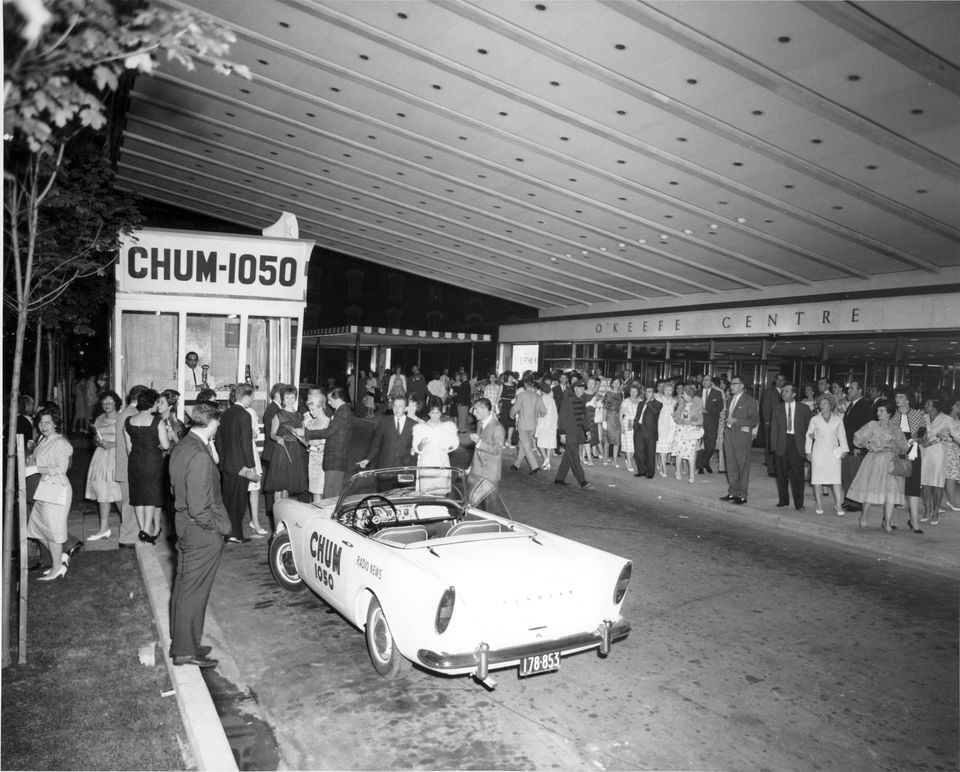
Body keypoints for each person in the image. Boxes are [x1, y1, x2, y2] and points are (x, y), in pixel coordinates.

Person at [168, 402, 231, 668]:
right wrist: (214, 529)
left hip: (185, 526)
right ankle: (184, 650)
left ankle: (185, 641)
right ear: (213, 423)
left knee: (185, 587)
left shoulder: (183, 446)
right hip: (200, 532)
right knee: (194, 591)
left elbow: (174, 489)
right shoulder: (200, 455)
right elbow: (199, 505)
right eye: (218, 423)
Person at [846, 401, 911, 533]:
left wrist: (894, 446)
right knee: (871, 490)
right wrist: (868, 444)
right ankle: (863, 517)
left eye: (881, 411)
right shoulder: (872, 425)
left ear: (889, 414)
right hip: (874, 461)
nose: (878, 413)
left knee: (891, 493)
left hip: (891, 463)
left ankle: (887, 522)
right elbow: (857, 438)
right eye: (878, 411)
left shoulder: (895, 429)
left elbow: (904, 447)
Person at [26, 410, 74, 581]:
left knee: (53, 531)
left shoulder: (60, 442)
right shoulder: (44, 440)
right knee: (38, 527)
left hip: (58, 487)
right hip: (45, 486)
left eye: (47, 422)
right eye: (40, 423)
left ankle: (56, 568)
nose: (43, 426)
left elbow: (61, 469)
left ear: (55, 423)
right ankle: (60, 557)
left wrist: (36, 469)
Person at [124, 388, 169, 544]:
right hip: (152, 461)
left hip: (135, 459)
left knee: (137, 495)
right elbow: (165, 445)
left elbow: (128, 447)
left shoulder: (128, 421)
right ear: (152, 404)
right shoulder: (157, 422)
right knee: (150, 495)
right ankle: (147, 530)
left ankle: (142, 528)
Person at [216, 384, 260, 543]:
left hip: (227, 464)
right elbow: (246, 443)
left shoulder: (225, 414)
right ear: (246, 396)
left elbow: (218, 440)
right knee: (239, 501)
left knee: (228, 499)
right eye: (252, 397)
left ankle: (227, 532)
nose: (252, 400)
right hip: (241, 466)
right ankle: (236, 534)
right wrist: (251, 465)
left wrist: (225, 457)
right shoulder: (245, 415)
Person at [299, 387, 355, 499]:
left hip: (336, 459)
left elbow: (329, 432)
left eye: (329, 399)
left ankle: (328, 516)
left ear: (337, 398)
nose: (328, 403)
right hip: (334, 459)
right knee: (329, 492)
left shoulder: (342, 412)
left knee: (331, 495)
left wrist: (307, 433)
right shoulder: (341, 411)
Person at [84, 390, 124, 541]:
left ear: (116, 403)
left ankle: (128, 525)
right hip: (100, 458)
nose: (107, 405)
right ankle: (103, 528)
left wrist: (112, 444)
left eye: (110, 402)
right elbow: (95, 438)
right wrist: (97, 441)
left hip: (115, 457)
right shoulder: (99, 418)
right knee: (102, 493)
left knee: (117, 494)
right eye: (104, 402)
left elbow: (128, 440)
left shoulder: (122, 418)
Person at [263, 385, 308, 503]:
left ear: (296, 398)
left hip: (295, 451)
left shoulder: (300, 416)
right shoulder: (278, 415)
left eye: (292, 397)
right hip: (282, 451)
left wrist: (306, 442)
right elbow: (272, 434)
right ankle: (277, 510)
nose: (290, 400)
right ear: (283, 399)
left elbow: (303, 436)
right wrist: (278, 438)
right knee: (279, 484)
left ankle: (283, 510)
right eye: (287, 397)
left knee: (288, 484)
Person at [805, 395, 849, 514]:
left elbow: (842, 436)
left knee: (836, 480)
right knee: (817, 479)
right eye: (821, 403)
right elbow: (809, 436)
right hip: (818, 452)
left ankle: (838, 506)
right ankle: (819, 505)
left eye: (825, 403)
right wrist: (808, 451)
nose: (822, 406)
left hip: (833, 452)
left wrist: (844, 449)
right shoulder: (814, 419)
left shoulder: (838, 419)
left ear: (830, 405)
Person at [115, 384, 146, 549]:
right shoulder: (132, 415)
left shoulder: (124, 413)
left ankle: (131, 535)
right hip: (130, 465)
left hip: (124, 464)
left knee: (130, 502)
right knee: (130, 503)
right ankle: (127, 538)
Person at [771, 383, 811, 511]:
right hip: (782, 443)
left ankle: (799, 504)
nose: (783, 393)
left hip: (797, 443)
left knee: (797, 476)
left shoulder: (804, 408)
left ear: (794, 394)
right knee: (781, 474)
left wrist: (808, 448)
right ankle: (783, 500)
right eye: (783, 391)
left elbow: (809, 428)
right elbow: (774, 428)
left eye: (786, 391)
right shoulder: (777, 408)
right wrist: (774, 447)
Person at [720, 375, 759, 505]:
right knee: (730, 465)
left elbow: (753, 421)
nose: (731, 386)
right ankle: (733, 492)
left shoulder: (750, 401)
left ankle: (742, 494)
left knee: (742, 466)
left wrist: (736, 421)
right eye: (731, 384)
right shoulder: (729, 399)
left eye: (734, 383)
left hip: (742, 437)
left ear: (742, 386)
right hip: (729, 435)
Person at [411, 400, 460, 494]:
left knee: (441, 493)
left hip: (442, 463)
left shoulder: (448, 427)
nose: (435, 415)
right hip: (426, 464)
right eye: (432, 412)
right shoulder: (421, 428)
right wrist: (422, 443)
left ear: (441, 413)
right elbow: (418, 449)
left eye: (437, 412)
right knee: (426, 493)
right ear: (429, 413)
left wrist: (449, 446)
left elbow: (453, 446)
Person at [468, 398, 506, 515]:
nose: (474, 413)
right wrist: (471, 466)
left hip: (490, 473)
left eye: (476, 410)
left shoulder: (498, 427)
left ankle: (495, 529)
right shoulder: (480, 423)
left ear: (484, 409)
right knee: (474, 504)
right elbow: (477, 449)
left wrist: (479, 442)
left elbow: (497, 450)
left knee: (492, 507)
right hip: (477, 470)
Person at [893, 387, 925, 528]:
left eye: (900, 397)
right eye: (896, 397)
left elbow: (923, 433)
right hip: (897, 453)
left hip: (913, 453)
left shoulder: (918, 415)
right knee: (894, 487)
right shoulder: (892, 416)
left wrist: (916, 441)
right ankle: (888, 520)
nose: (897, 399)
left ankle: (914, 521)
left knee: (913, 486)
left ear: (907, 400)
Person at [841, 381, 874, 512]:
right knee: (847, 474)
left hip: (857, 447)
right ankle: (849, 499)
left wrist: (860, 446)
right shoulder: (852, 406)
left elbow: (866, 428)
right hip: (848, 446)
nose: (849, 391)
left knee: (855, 475)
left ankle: (857, 502)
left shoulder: (864, 406)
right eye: (849, 389)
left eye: (852, 389)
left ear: (860, 391)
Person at [919, 397, 952, 524]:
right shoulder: (923, 417)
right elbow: (918, 434)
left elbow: (953, 436)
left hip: (938, 453)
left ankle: (936, 511)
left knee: (937, 482)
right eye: (926, 402)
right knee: (925, 482)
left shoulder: (947, 419)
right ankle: (927, 510)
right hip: (925, 452)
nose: (926, 405)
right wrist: (921, 440)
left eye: (929, 403)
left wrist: (940, 439)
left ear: (936, 405)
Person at [555, 382, 592, 489]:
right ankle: (582, 481)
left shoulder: (582, 399)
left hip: (577, 433)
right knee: (575, 458)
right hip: (568, 433)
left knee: (568, 456)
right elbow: (562, 417)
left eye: (583, 389)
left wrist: (587, 430)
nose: (582, 391)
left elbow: (583, 417)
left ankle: (559, 478)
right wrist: (562, 433)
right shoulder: (567, 399)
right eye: (581, 388)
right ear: (575, 388)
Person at [260, 383, 285, 526]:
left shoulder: (274, 408)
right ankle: (271, 511)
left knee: (272, 483)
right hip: (272, 452)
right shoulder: (273, 410)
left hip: (271, 452)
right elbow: (273, 433)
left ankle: (272, 509)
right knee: (271, 485)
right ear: (278, 394)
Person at [510, 375, 546, 474]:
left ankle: (534, 466)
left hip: (523, 424)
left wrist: (511, 415)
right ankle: (516, 464)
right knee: (523, 444)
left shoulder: (521, 395)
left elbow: (515, 408)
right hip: (533, 425)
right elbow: (544, 411)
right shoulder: (538, 396)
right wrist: (538, 415)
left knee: (526, 445)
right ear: (533, 384)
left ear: (525, 384)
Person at [243, 394, 268, 535]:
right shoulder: (247, 412)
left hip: (249, 454)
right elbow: (254, 434)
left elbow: (254, 434)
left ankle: (255, 521)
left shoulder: (251, 412)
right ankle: (253, 522)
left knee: (254, 487)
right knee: (250, 488)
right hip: (245, 456)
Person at [671, 384, 704, 484]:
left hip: (691, 432)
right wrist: (680, 420)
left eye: (684, 394)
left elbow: (701, 421)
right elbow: (675, 418)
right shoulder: (681, 404)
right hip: (680, 430)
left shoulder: (697, 406)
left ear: (689, 395)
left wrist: (690, 422)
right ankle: (678, 472)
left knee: (691, 454)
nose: (682, 396)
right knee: (679, 453)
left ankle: (691, 475)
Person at [696, 375, 724, 474]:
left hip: (712, 422)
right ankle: (700, 466)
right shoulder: (697, 393)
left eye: (707, 380)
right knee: (700, 444)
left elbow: (720, 407)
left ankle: (705, 462)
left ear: (711, 382)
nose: (704, 382)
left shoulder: (717, 393)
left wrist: (707, 410)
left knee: (711, 445)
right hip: (700, 422)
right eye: (703, 380)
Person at [633, 385, 662, 478]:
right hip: (639, 429)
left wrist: (649, 402)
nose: (648, 393)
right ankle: (642, 470)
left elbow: (654, 411)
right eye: (646, 391)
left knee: (650, 453)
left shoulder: (658, 403)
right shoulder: (641, 403)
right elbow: (637, 415)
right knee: (639, 452)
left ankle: (650, 472)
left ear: (653, 393)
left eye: (650, 391)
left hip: (650, 431)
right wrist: (635, 424)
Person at [760, 373, 786, 477]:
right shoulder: (769, 392)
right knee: (770, 445)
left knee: (782, 445)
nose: (780, 382)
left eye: (782, 380)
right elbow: (765, 408)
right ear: (775, 380)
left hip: (783, 423)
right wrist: (767, 422)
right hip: (771, 423)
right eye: (778, 380)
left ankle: (780, 467)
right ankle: (771, 468)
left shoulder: (787, 391)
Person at [535, 380, 558, 471]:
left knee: (540, 443)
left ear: (541, 391)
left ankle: (546, 459)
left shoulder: (541, 399)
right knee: (549, 443)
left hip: (543, 423)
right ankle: (547, 460)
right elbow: (555, 413)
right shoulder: (552, 400)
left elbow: (539, 412)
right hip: (551, 424)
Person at [655, 380, 677, 478]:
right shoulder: (659, 398)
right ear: (663, 390)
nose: (668, 392)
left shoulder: (674, 401)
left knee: (667, 449)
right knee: (662, 448)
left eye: (670, 390)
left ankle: (660, 464)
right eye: (666, 390)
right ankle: (664, 468)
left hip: (671, 426)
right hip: (661, 424)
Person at [619, 383, 641, 474]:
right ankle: (629, 464)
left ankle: (629, 460)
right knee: (629, 444)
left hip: (637, 424)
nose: (633, 393)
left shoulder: (640, 400)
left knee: (635, 445)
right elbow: (620, 416)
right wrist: (622, 427)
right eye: (631, 391)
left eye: (635, 391)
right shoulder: (626, 401)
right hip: (627, 423)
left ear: (638, 392)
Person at [601, 378, 623, 467]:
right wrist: (603, 421)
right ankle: (605, 458)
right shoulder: (608, 394)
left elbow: (621, 407)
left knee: (616, 440)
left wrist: (622, 419)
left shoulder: (621, 394)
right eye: (615, 382)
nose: (616, 384)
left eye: (618, 383)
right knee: (607, 440)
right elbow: (604, 408)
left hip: (617, 418)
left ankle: (615, 460)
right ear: (612, 384)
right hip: (609, 418)